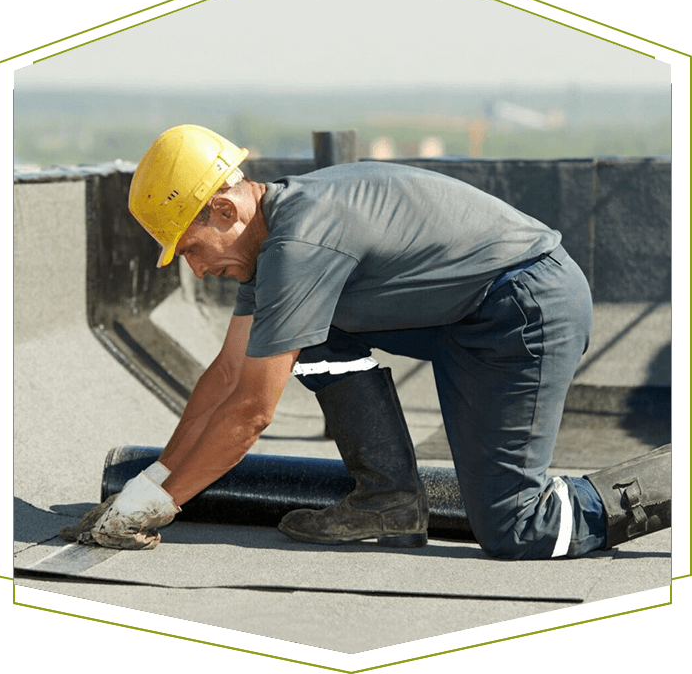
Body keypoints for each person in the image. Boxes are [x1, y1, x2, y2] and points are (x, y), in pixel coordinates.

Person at [88, 124, 670, 559]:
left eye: (190, 248)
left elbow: (249, 413)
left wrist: (158, 508)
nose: (194, 269)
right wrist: (149, 481)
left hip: (524, 310)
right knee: (304, 335)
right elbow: (226, 377)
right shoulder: (266, 250)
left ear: (223, 208)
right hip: (462, 316)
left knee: (518, 526)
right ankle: (388, 500)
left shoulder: (300, 246)